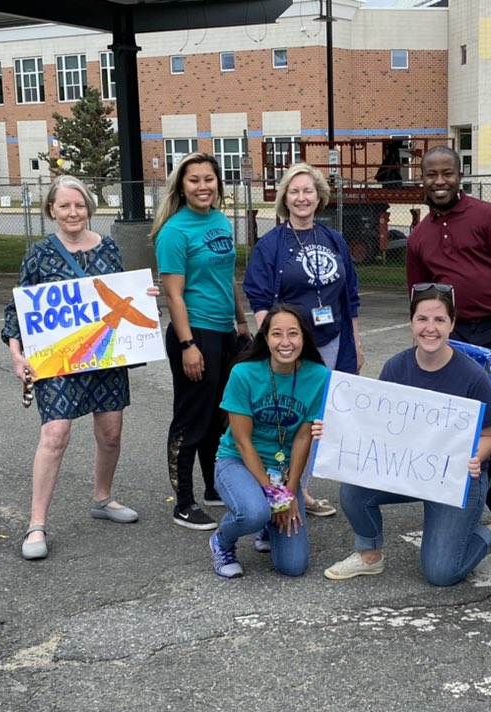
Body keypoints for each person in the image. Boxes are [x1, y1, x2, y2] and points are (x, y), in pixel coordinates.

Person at [321, 283, 491, 587]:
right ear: (411, 322)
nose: (431, 328)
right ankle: (369, 555)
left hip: (457, 477)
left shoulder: (473, 376)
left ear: (453, 324)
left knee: (442, 573)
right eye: (422, 319)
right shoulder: (396, 368)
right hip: (411, 471)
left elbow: (488, 436)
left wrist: (476, 458)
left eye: (440, 320)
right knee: (353, 489)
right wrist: (333, 432)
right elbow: (372, 427)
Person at [2, 175, 158, 560]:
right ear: (51, 210)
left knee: (111, 433)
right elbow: (18, 308)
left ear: (89, 208)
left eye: (79, 205)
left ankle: (103, 499)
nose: (73, 212)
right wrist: (16, 354)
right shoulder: (39, 254)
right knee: (55, 435)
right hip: (56, 360)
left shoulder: (108, 248)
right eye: (64, 206)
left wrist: (144, 295)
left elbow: (122, 295)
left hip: (103, 358)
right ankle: (36, 523)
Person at [406, 145, 491, 519]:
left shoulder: (489, 217)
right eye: (432, 174)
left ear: (460, 176)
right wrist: (422, 344)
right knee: (455, 423)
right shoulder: (419, 237)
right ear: (423, 179)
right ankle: (454, 502)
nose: (440, 181)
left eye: (447, 173)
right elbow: (417, 299)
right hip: (454, 338)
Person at [242, 162, 364, 518]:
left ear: (319, 196)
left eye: (307, 191)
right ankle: (285, 486)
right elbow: (259, 298)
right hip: (292, 345)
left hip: (332, 339)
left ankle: (301, 486)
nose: (301, 197)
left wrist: (354, 342)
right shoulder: (271, 245)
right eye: (294, 192)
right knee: (291, 417)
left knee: (321, 417)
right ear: (284, 198)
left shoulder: (333, 239)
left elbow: (350, 295)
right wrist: (276, 345)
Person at [152, 152, 251, 532]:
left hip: (224, 331)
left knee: (219, 417)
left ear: (218, 185)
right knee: (191, 420)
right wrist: (187, 343)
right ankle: (184, 502)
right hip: (193, 333)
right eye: (194, 180)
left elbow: (227, 277)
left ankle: (213, 488)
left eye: (209, 179)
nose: (203, 186)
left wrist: (241, 322)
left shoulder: (222, 222)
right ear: (182, 186)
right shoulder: (175, 232)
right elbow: (173, 294)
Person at [208, 304, 330, 579]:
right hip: (237, 461)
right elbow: (242, 441)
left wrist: (289, 490)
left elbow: (302, 437)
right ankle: (223, 541)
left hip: (283, 471)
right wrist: (276, 498)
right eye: (277, 334)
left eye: (293, 334)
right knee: (253, 513)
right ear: (265, 338)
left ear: (304, 338)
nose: (285, 342)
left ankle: (267, 524)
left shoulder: (319, 376)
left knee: (293, 567)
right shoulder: (244, 373)